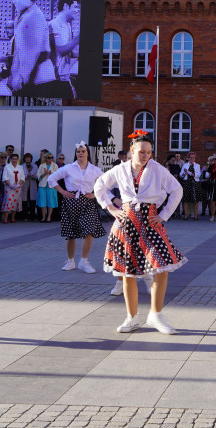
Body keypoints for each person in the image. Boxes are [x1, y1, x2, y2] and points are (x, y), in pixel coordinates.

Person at [94, 131, 186, 334]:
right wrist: (110, 208)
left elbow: (177, 189)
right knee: (128, 272)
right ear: (132, 151)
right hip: (126, 223)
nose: (145, 156)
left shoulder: (157, 169)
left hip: (151, 222)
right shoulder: (120, 169)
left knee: (161, 266)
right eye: (142, 152)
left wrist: (164, 215)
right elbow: (100, 185)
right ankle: (132, 317)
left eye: (149, 152)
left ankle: (155, 315)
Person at [49, 142, 108, 273]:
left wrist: (95, 194)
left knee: (89, 230)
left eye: (83, 151)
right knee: (71, 234)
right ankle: (70, 261)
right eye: (78, 151)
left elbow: (105, 183)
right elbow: (51, 179)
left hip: (87, 203)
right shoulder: (68, 168)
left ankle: (84, 261)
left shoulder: (94, 169)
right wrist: (63, 192)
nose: (80, 153)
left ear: (87, 153)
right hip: (71, 202)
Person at [8, 0, 60, 97]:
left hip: (37, 81)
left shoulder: (34, 16)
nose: (13, 1)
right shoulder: (25, 15)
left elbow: (40, 53)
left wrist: (24, 79)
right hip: (30, 80)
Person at [49, 0, 81, 98]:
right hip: (54, 79)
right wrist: (77, 39)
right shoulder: (53, 25)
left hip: (64, 77)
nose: (77, 11)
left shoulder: (67, 25)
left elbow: (71, 52)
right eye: (75, 7)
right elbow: (60, 51)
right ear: (67, 6)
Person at [178, 152, 201, 220]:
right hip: (186, 183)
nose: (192, 159)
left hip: (195, 183)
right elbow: (181, 175)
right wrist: (184, 173)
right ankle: (186, 215)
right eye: (190, 157)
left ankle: (196, 216)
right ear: (188, 158)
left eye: (193, 157)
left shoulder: (197, 165)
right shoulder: (185, 165)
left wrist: (188, 172)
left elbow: (197, 175)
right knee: (186, 200)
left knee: (195, 200)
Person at [36, 152, 58, 222]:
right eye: (49, 157)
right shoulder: (42, 165)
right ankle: (43, 217)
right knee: (43, 202)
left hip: (51, 186)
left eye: (52, 157)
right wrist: (44, 174)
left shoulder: (55, 165)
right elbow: (38, 176)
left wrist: (52, 174)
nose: (50, 159)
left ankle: (49, 217)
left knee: (50, 202)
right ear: (45, 158)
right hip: (43, 185)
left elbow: (58, 176)